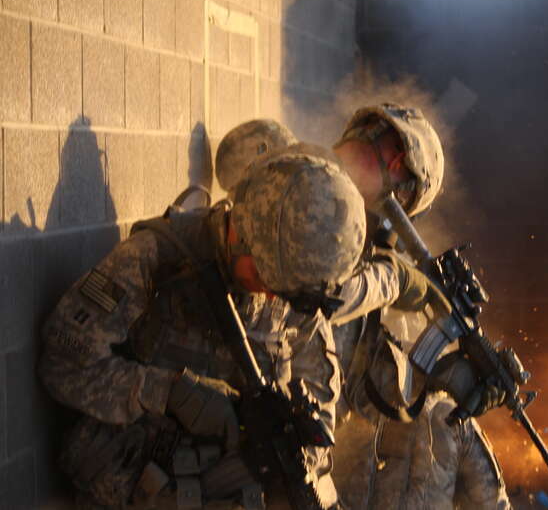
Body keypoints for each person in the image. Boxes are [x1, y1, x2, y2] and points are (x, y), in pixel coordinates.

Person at [38, 153, 415, 510]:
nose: (271, 293)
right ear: (242, 231)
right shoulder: (154, 260)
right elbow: (63, 365)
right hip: (137, 479)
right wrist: (169, 392)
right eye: (264, 276)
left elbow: (319, 398)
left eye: (283, 288)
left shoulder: (294, 286)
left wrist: (288, 449)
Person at [217, 105, 512, 510]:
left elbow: (370, 391)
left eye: (401, 171)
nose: (386, 160)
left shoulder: (369, 267)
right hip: (237, 417)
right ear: (358, 129)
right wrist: (394, 280)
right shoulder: (285, 173)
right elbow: (305, 293)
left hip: (291, 441)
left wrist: (444, 378)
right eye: (386, 142)